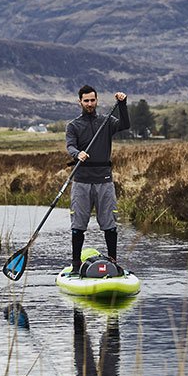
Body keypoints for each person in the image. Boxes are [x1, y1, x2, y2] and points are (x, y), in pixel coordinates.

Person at [66, 85, 129, 274]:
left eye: (92, 100)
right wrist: (78, 154)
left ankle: (114, 262)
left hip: (104, 180)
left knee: (110, 224)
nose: (90, 104)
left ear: (97, 100)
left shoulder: (106, 121)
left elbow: (125, 125)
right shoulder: (74, 125)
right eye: (86, 101)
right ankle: (76, 266)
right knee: (78, 226)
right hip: (81, 181)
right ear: (80, 102)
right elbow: (70, 146)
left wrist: (122, 104)